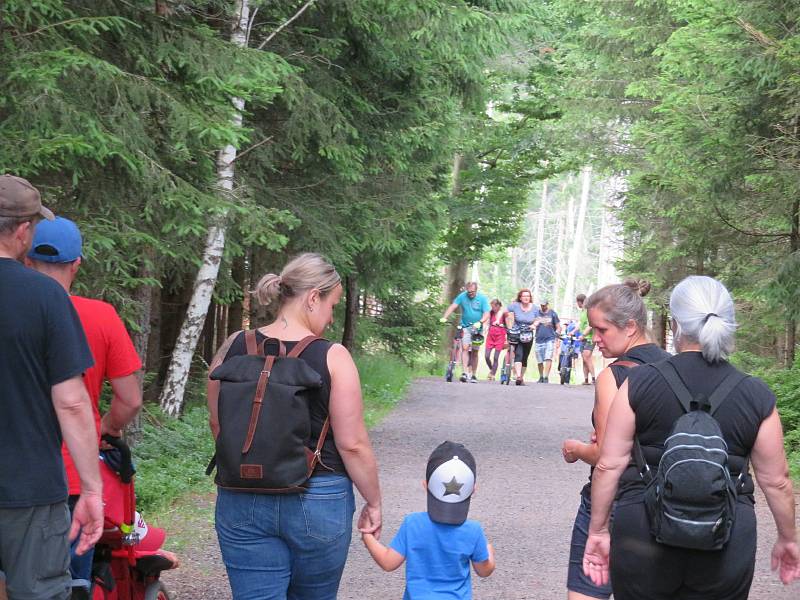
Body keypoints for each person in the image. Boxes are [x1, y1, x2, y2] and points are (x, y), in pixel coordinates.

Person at [584, 275, 800, 599]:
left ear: (674, 324)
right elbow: (777, 480)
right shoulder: (756, 393)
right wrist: (788, 538)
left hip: (641, 531)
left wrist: (598, 530)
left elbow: (609, 465)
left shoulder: (639, 381)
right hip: (725, 536)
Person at [208, 253, 382, 600]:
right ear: (313, 297)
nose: (331, 318)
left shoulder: (233, 346)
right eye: (332, 305)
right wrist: (373, 500)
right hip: (317, 498)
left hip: (242, 497)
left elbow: (218, 423)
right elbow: (352, 444)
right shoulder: (333, 356)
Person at [27, 217, 143, 598]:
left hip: (12, 472)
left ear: (27, 260)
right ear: (77, 264)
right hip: (73, 474)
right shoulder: (101, 316)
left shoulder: (11, 310)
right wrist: (105, 427)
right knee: (73, 583)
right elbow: (130, 399)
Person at [0, 175, 102, 600]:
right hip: (28, 487)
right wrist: (93, 490)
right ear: (23, 230)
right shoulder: (44, 296)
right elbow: (72, 402)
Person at [562, 279, 669, 600]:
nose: (595, 339)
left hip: (614, 503)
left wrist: (577, 449)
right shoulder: (674, 370)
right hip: (664, 506)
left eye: (601, 330)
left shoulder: (615, 375)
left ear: (631, 326)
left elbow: (605, 455)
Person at [362, 441, 495, 598]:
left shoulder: (412, 524)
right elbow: (484, 570)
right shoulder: (473, 531)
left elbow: (388, 562)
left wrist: (367, 535)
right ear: (473, 490)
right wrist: (489, 553)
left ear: (425, 485)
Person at [441, 282, 490, 383]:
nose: (470, 294)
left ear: (476, 290)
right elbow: (453, 306)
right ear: (466, 290)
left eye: (472, 292)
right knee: (465, 348)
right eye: (469, 292)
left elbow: (486, 313)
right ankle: (465, 372)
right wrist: (444, 317)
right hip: (465, 326)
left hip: (477, 328)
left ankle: (473, 374)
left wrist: (480, 322)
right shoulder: (462, 296)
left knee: (475, 351)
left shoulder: (482, 299)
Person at [505, 288, 538, 385]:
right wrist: (506, 321)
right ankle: (518, 376)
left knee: (525, 356)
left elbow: (538, 319)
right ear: (520, 297)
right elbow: (505, 311)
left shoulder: (535, 308)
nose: (526, 298)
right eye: (524, 296)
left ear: (530, 297)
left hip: (528, 333)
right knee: (518, 354)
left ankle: (521, 377)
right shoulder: (515, 306)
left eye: (528, 296)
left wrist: (534, 325)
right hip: (516, 332)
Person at [533, 298, 561, 383]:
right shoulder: (537, 313)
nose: (542, 306)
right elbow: (534, 323)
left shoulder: (552, 313)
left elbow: (558, 327)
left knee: (548, 357)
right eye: (541, 305)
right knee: (540, 360)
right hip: (539, 339)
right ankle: (541, 376)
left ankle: (546, 377)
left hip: (550, 338)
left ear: (547, 304)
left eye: (544, 305)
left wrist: (557, 334)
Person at [484, 299, 507, 381]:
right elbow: (488, 322)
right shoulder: (491, 313)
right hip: (491, 336)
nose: (492, 308)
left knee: (496, 357)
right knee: (486, 356)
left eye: (494, 307)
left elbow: (508, 325)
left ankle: (493, 374)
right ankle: (491, 369)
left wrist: (502, 325)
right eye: (492, 307)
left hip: (500, 336)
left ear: (498, 306)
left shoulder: (503, 314)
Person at [576, 294, 596, 385]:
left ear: (580, 302)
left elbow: (590, 325)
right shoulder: (582, 312)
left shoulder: (589, 311)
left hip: (589, 338)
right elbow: (581, 324)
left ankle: (593, 378)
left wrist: (583, 335)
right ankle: (586, 379)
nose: (577, 304)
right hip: (583, 339)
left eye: (577, 302)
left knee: (587, 357)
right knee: (584, 359)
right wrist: (572, 331)